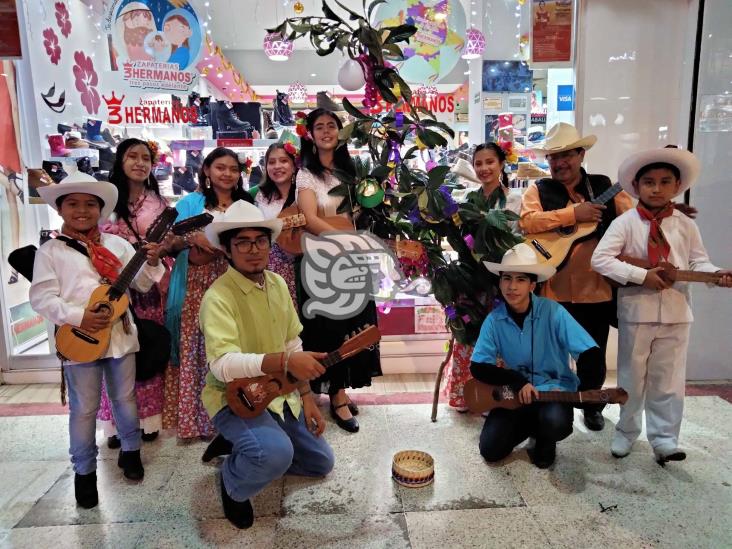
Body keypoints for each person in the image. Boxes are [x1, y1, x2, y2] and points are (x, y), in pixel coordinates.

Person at [29, 171, 164, 508]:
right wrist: (80, 316)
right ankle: (84, 472)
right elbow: (41, 298)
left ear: (101, 210)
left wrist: (152, 261)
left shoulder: (118, 245)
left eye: (90, 204)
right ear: (60, 210)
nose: (82, 210)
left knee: (126, 398)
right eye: (73, 204)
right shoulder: (51, 252)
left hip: (120, 335)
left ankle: (131, 452)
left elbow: (143, 285)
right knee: (83, 409)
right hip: (80, 338)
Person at [199, 200, 335, 529]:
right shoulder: (217, 297)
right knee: (275, 455)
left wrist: (307, 397)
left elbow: (292, 342)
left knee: (321, 462)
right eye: (242, 242)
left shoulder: (276, 283)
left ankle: (246, 446)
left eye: (260, 240)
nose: (253, 249)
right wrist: (286, 360)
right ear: (227, 250)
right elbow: (222, 365)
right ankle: (233, 483)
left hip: (277, 392)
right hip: (234, 397)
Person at [591, 147, 732, 465]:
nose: (656, 188)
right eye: (649, 182)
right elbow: (601, 259)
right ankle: (625, 432)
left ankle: (665, 439)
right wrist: (641, 274)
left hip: (676, 311)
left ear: (677, 186)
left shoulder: (685, 224)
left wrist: (714, 274)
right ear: (637, 186)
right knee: (631, 376)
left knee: (668, 378)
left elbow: (699, 261)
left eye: (665, 182)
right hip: (637, 312)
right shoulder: (626, 223)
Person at [520, 123, 635, 431]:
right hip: (553, 289)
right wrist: (573, 215)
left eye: (566, 155)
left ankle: (592, 404)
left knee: (592, 355)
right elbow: (527, 223)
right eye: (553, 156)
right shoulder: (538, 189)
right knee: (550, 357)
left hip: (596, 288)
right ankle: (553, 414)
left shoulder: (605, 186)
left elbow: (633, 224)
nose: (559, 163)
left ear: (581, 153)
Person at [470, 243, 601, 468]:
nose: (512, 287)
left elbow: (590, 353)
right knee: (490, 450)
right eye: (506, 279)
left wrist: (585, 393)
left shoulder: (554, 312)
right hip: (515, 392)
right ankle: (530, 424)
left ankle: (545, 438)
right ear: (500, 282)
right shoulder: (494, 320)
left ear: (532, 284)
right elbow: (479, 367)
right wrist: (516, 381)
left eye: (520, 280)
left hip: (554, 391)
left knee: (555, 423)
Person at [296, 108, 382, 433]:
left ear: (340, 132)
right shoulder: (307, 175)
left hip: (353, 261)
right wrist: (344, 240)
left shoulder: (354, 171)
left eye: (332, 125)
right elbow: (308, 217)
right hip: (321, 264)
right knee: (328, 329)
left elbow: (367, 211)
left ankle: (340, 389)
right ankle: (337, 395)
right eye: (319, 127)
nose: (326, 131)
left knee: (355, 326)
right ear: (311, 134)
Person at [163, 148, 254, 440]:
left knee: (232, 345)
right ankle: (199, 422)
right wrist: (192, 238)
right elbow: (171, 242)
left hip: (235, 281)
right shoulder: (191, 203)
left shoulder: (247, 203)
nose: (226, 173)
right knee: (197, 347)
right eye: (220, 167)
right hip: (197, 282)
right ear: (206, 170)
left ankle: (239, 415)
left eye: (232, 168)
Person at [446, 143, 523, 411]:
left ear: (501, 164)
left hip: (502, 280)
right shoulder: (467, 199)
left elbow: (517, 241)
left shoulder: (514, 200)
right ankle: (464, 394)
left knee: (500, 337)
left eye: (490, 162)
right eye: (478, 163)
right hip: (471, 279)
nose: (484, 169)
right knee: (468, 335)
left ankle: (495, 397)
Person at [249, 142, 299, 306]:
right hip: (267, 270)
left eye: (284, 161)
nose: (277, 166)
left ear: (294, 164)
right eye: (271, 162)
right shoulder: (256, 195)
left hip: (303, 269)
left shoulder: (304, 192)